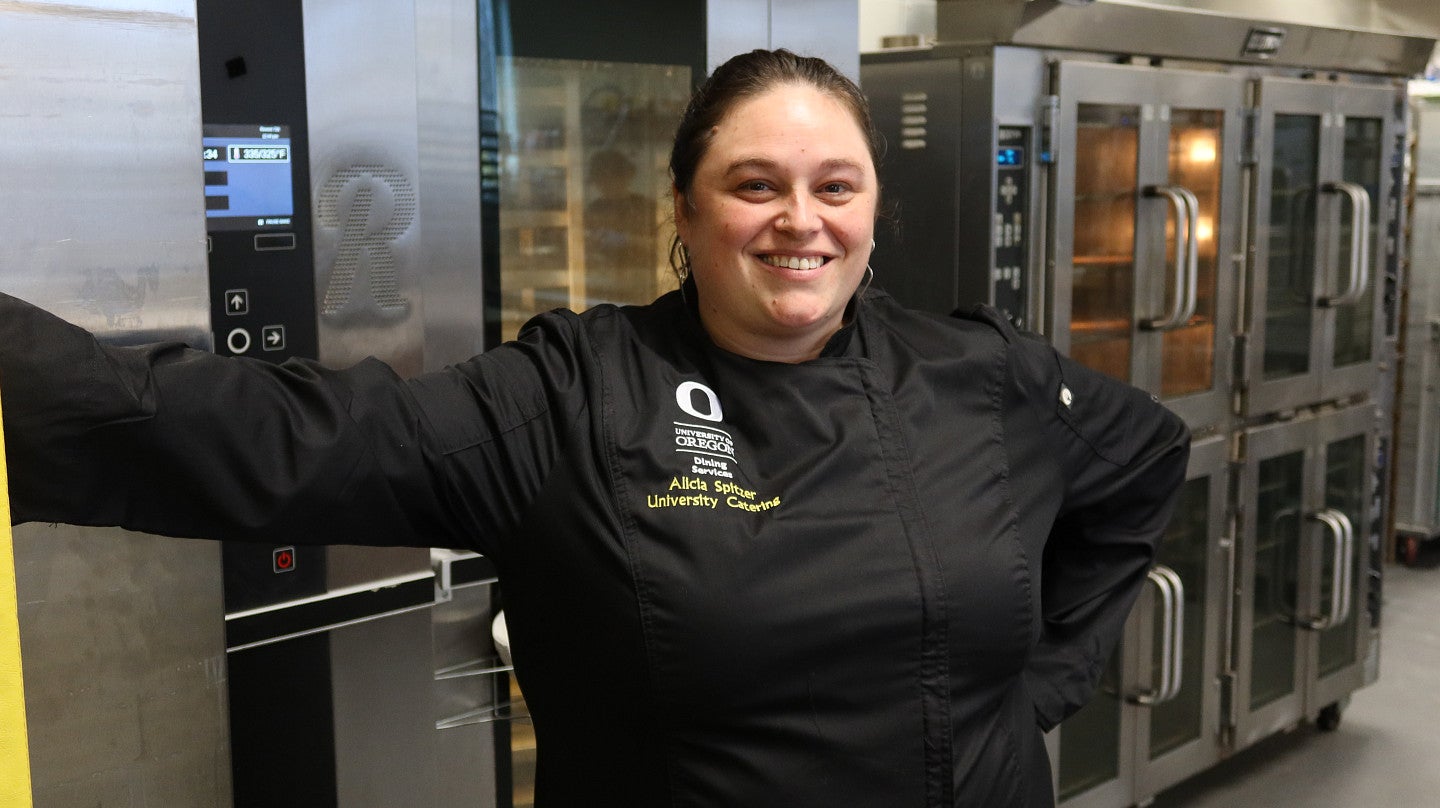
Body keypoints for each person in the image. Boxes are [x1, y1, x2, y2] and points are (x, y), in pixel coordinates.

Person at [0, 49, 1188, 807]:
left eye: (836, 186)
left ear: (873, 206)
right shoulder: (576, 394)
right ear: (685, 207)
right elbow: (284, 437)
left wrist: (1038, 687)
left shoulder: (982, 376)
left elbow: (1143, 464)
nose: (800, 222)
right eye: (754, 184)